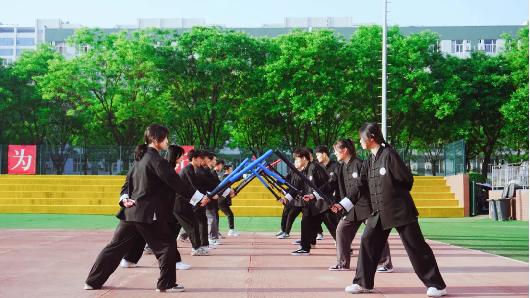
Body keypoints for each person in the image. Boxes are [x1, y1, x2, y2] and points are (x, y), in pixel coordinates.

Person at [84, 124, 208, 293]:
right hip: (148, 214)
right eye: (165, 138)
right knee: (167, 246)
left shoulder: (140, 159)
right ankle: (167, 284)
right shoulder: (157, 161)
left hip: (131, 212)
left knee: (114, 248)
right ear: (156, 139)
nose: (167, 141)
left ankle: (92, 281)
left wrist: (124, 199)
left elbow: (127, 184)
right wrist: (199, 198)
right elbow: (177, 183)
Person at [344, 123, 447, 297]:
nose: (359, 141)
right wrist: (345, 203)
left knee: (416, 247)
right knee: (367, 241)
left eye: (361, 138)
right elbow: (361, 185)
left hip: (400, 211)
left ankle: (437, 285)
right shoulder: (369, 160)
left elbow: (407, 180)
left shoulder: (389, 155)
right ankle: (363, 283)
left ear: (371, 138)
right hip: (378, 213)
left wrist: (392, 192)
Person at [328, 139, 393, 272]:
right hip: (350, 208)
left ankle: (386, 264)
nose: (334, 153)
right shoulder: (340, 167)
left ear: (345, 150)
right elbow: (330, 183)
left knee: (376, 233)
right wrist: (314, 195)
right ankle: (342, 263)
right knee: (341, 230)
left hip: (367, 207)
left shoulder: (360, 164)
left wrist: (343, 203)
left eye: (336, 150)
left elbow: (360, 187)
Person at [286, 148, 338, 256]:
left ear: (304, 158)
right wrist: (287, 198)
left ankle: (345, 246)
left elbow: (327, 184)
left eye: (297, 160)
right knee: (305, 223)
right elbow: (296, 187)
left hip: (324, 204)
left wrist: (314, 195)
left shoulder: (315, 167)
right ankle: (305, 248)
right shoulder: (303, 171)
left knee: (334, 228)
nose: (295, 162)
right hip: (312, 205)